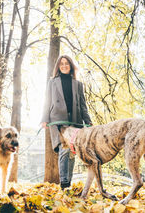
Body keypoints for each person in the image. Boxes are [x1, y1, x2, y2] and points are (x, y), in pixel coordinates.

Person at [40, 55, 92, 189]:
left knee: (72, 152)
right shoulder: (52, 82)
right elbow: (47, 101)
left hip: (75, 120)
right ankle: (64, 183)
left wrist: (88, 121)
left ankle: (68, 182)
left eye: (66, 63)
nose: (64, 66)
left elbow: (82, 104)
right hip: (58, 120)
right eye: (61, 64)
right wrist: (44, 119)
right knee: (64, 149)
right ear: (58, 66)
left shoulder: (78, 84)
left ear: (71, 66)